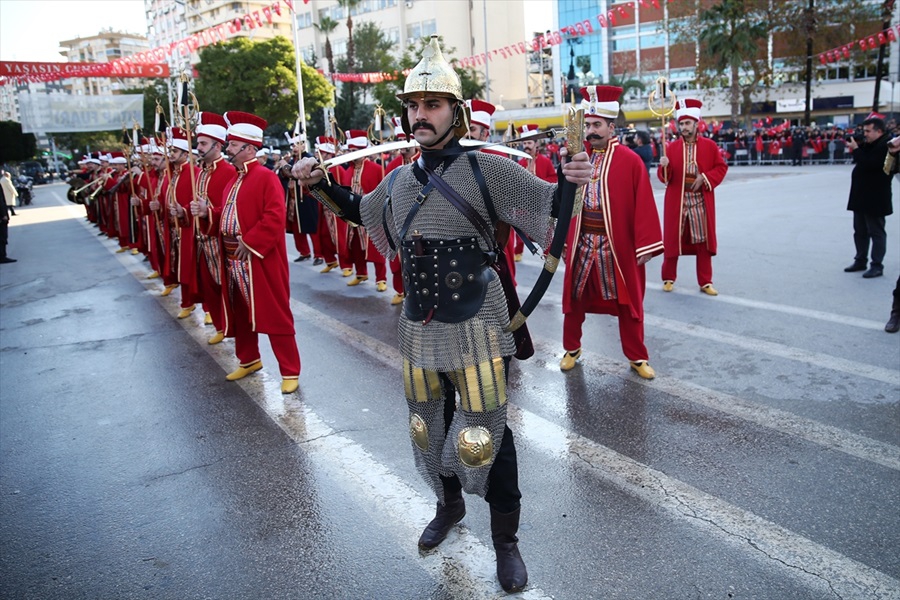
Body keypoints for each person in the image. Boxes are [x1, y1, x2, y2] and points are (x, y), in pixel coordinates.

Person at [293, 35, 591, 593]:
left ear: (455, 111)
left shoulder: (487, 170)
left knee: (487, 437)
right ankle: (449, 506)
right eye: (412, 106)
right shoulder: (402, 179)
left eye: (431, 105)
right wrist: (320, 185)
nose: (419, 115)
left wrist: (571, 181)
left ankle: (507, 543)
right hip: (419, 326)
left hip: (478, 323)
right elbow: (363, 212)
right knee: (426, 428)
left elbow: (546, 203)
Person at [559, 85, 664, 380]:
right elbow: (564, 201)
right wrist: (562, 239)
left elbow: (643, 203)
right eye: (588, 124)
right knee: (574, 299)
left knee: (628, 302)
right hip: (582, 240)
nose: (590, 131)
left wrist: (644, 245)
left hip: (617, 245)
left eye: (596, 125)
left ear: (611, 126)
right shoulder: (576, 157)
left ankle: (637, 356)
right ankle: (571, 348)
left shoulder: (631, 161)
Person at [214, 111, 301, 394]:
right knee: (241, 313)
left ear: (249, 148)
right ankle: (249, 359)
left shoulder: (265, 177)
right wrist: (207, 214)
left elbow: (274, 217)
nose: (228, 148)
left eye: (232, 144)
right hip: (232, 259)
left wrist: (249, 242)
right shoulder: (233, 180)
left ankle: (290, 370)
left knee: (275, 314)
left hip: (258, 259)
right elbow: (228, 215)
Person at [657, 99, 728, 295]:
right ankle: (668, 278)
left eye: (688, 123)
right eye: (681, 123)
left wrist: (704, 177)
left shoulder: (710, 146)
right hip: (677, 200)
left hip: (700, 200)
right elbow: (664, 178)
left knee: (702, 241)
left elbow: (721, 167)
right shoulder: (670, 148)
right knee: (673, 240)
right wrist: (665, 165)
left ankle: (705, 281)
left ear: (697, 124)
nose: (684, 127)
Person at [189, 112, 236, 345]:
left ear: (217, 146)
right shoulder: (200, 172)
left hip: (219, 242)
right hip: (200, 239)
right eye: (198, 143)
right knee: (208, 288)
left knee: (225, 290)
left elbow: (230, 210)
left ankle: (228, 326)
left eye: (202, 143)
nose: (198, 147)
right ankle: (219, 325)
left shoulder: (228, 172)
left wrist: (208, 212)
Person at [844, 117, 894, 279]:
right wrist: (859, 146)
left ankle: (877, 265)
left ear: (879, 131)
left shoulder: (888, 146)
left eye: (867, 131)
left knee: (876, 231)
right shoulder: (872, 144)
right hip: (861, 195)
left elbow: (871, 164)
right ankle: (860, 260)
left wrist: (857, 150)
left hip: (876, 196)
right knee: (860, 231)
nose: (864, 134)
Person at [340, 130, 388, 289]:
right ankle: (361, 272)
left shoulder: (375, 168)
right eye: (350, 151)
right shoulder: (348, 170)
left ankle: (381, 279)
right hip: (354, 214)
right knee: (355, 245)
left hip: (371, 214)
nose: (352, 154)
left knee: (376, 246)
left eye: (355, 151)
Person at [0, 172, 15, 263]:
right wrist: (3, 215)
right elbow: (0, 201)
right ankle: (2, 256)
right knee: (2, 237)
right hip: (1, 217)